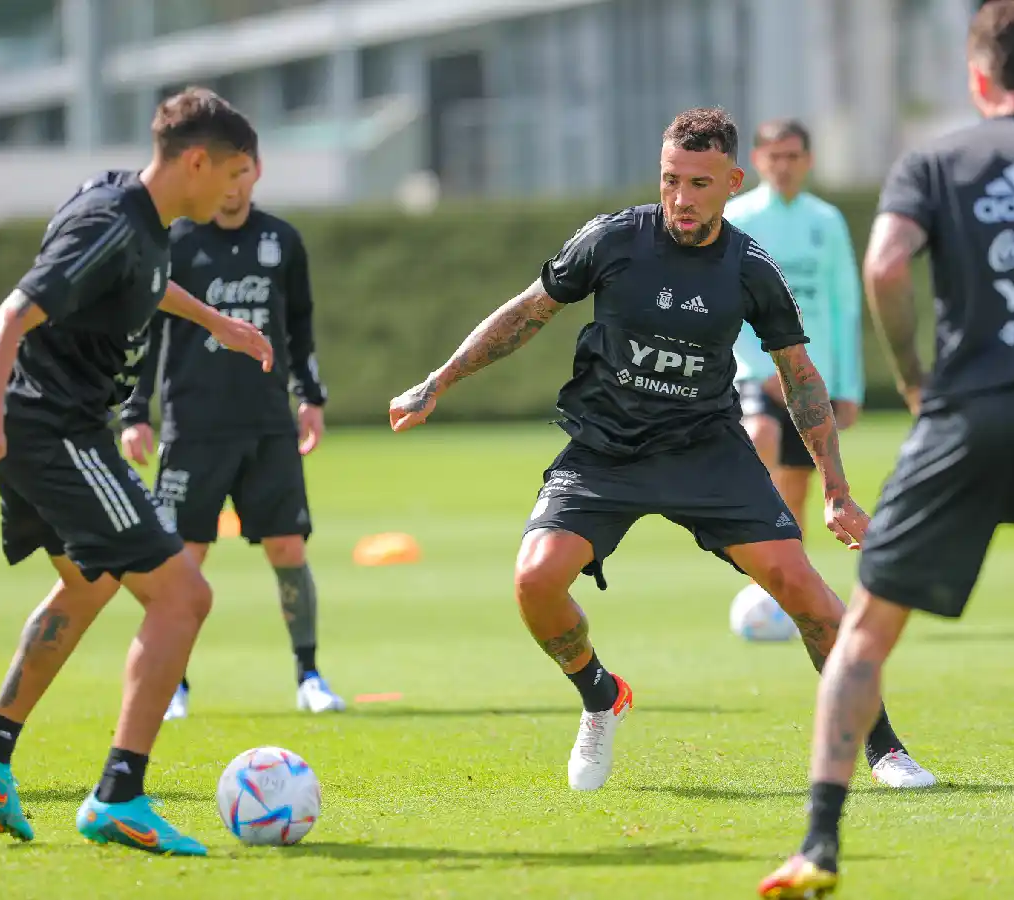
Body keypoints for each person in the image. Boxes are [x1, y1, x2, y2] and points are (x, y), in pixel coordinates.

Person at [761, 3, 1014, 898]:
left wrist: (914, 379)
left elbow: (884, 266)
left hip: (964, 419)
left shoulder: (936, 161)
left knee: (867, 633)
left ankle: (819, 847)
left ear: (978, 78)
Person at [388, 107, 934, 793]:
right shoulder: (612, 241)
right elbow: (527, 312)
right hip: (606, 449)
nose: (680, 197)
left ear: (732, 181)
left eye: (699, 183)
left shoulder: (750, 268)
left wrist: (836, 491)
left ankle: (883, 748)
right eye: (670, 179)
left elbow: (801, 380)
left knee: (811, 598)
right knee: (533, 581)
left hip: (705, 449)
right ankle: (599, 696)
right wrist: (439, 381)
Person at [0, 88, 272, 857]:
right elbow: (9, 316)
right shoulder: (112, 223)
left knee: (87, 582)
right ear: (197, 160)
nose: (240, 190)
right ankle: (119, 794)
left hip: (50, 430)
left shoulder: (130, 209)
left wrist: (214, 321)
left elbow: (138, 281)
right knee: (184, 595)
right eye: (236, 172)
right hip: (56, 432)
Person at [120, 155, 343, 721]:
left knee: (288, 548)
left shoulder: (282, 241)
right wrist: (133, 412)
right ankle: (175, 684)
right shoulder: (177, 241)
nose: (232, 185)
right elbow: (145, 324)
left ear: (257, 173)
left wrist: (309, 396)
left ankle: (309, 676)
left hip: (268, 424)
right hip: (193, 426)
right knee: (183, 559)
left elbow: (300, 324)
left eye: (242, 172)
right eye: (224, 172)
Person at [726, 120, 864, 531]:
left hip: (811, 377)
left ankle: (787, 591)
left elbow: (844, 306)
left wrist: (848, 388)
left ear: (808, 161)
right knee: (760, 432)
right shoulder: (737, 216)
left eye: (792, 156)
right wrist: (761, 368)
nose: (783, 166)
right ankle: (746, 535)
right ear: (756, 161)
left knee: (797, 494)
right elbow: (726, 304)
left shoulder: (827, 221)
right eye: (775, 156)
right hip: (758, 373)